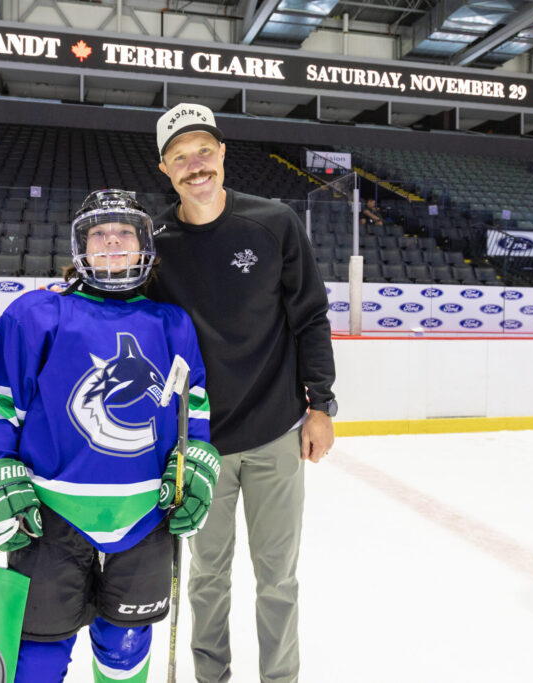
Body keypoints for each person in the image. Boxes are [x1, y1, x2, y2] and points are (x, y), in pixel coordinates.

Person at [0, 189, 222, 682]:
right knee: (39, 647)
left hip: (146, 515)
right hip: (49, 515)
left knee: (125, 645)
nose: (111, 242)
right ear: (80, 248)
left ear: (143, 245)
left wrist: (193, 465)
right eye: (98, 234)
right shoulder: (36, 314)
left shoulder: (171, 322)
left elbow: (193, 406)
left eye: (124, 232)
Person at [149, 103, 337, 682]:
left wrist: (321, 406)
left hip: (277, 431)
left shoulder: (274, 222)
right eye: (180, 157)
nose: (195, 165)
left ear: (224, 153)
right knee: (207, 577)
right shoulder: (156, 242)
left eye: (204, 150)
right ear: (165, 169)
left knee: (278, 577)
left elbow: (310, 316)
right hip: (199, 443)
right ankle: (212, 677)